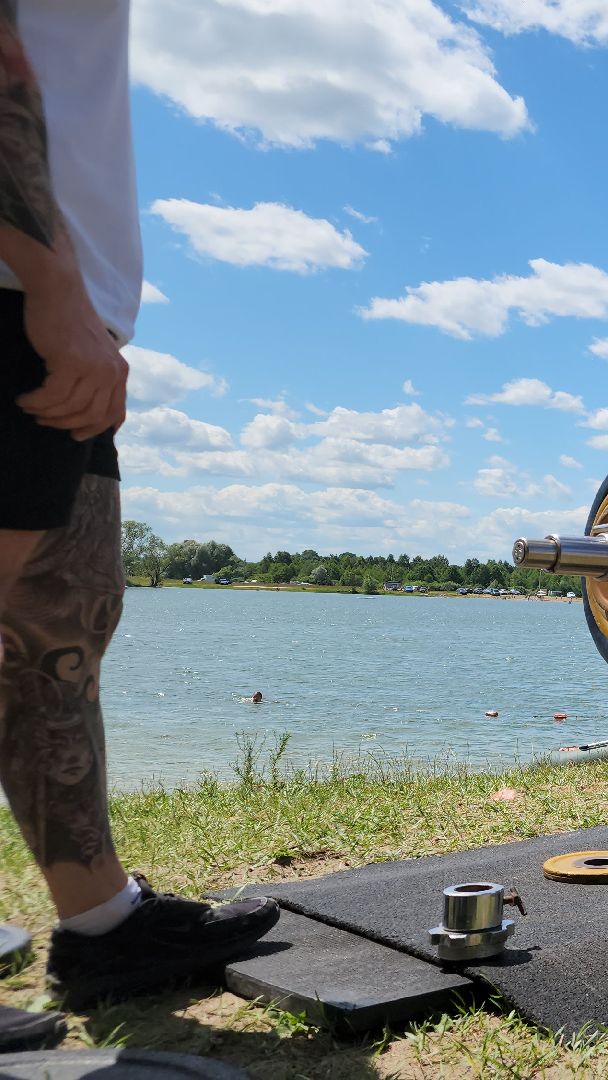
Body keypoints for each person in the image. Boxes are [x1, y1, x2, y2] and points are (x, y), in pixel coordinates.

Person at [0, 0, 278, 1025]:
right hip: (22, 288)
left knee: (59, 621)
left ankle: (104, 929)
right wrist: (45, 278)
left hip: (55, 302)